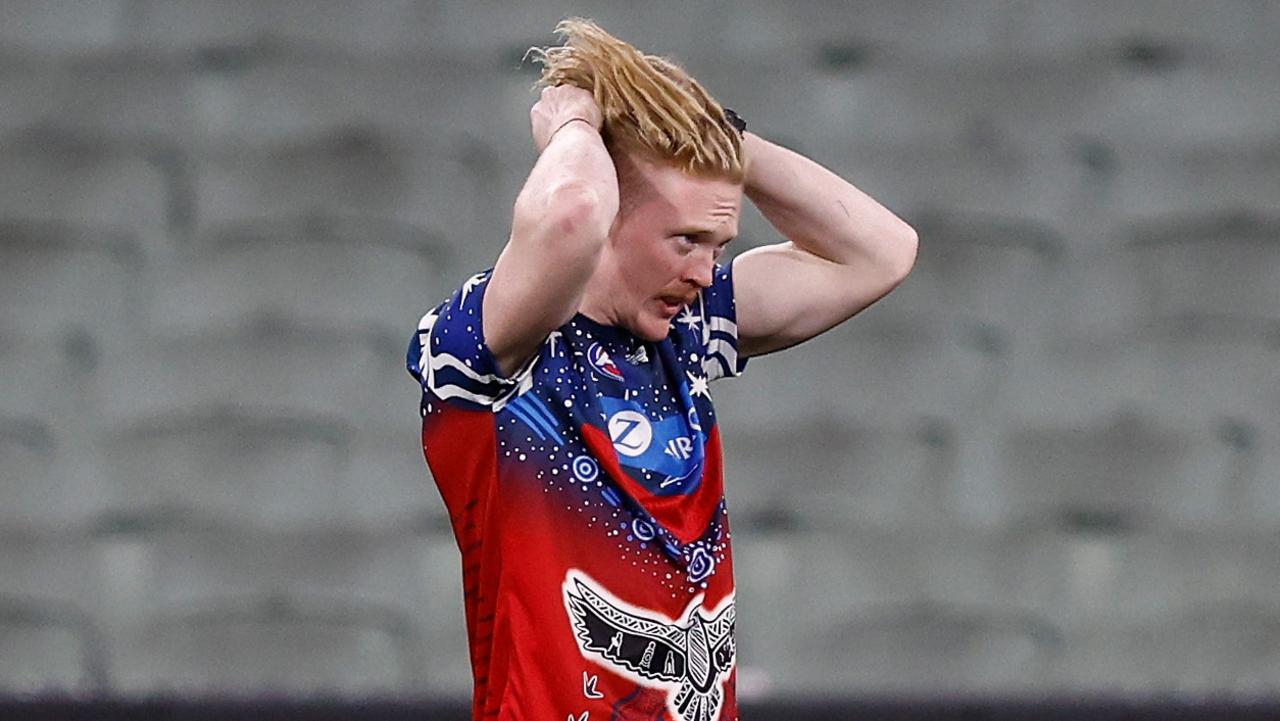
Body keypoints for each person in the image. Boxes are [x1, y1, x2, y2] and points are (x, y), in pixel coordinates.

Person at [406, 18, 917, 721]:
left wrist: (728, 144)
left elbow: (883, 251)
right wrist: (577, 126)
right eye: (686, 239)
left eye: (720, 243)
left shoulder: (687, 333)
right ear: (615, 213)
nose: (707, 271)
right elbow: (571, 214)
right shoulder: (491, 356)